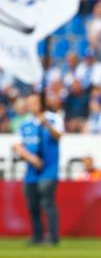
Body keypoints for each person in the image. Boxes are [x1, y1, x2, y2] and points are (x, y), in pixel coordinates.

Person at [13, 94, 64, 245]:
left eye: (34, 102)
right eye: (29, 103)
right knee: (32, 204)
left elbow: (59, 135)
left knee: (47, 201)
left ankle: (53, 236)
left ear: (41, 103)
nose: (32, 105)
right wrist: (31, 158)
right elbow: (17, 145)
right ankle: (37, 235)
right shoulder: (24, 123)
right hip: (31, 170)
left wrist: (47, 125)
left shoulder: (54, 118)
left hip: (49, 168)